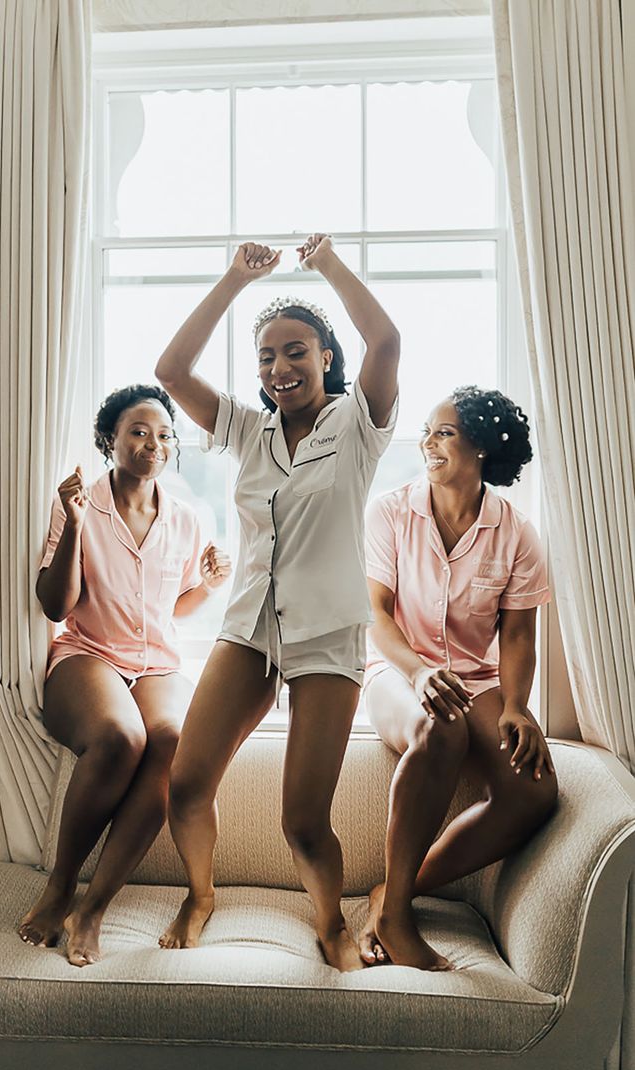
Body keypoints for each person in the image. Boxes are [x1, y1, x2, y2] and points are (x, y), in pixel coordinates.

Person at [154, 234, 400, 971]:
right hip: (248, 629)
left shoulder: (359, 424)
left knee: (302, 821)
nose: (279, 368)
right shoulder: (248, 430)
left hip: (327, 638)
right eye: (266, 357)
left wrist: (325, 263)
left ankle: (330, 924)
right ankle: (201, 895)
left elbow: (386, 337)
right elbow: (170, 370)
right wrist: (234, 279)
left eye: (295, 351)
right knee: (187, 785)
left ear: (326, 356)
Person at [18, 384, 231, 966]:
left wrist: (207, 587)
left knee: (174, 743)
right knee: (120, 738)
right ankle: (61, 886)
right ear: (110, 438)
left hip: (156, 663)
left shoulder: (189, 518)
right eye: (138, 432)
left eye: (164, 435)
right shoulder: (81, 503)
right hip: (87, 655)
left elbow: (172, 609)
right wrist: (76, 525)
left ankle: (94, 907)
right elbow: (56, 606)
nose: (153, 444)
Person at [358, 386, 558, 971]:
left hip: (478, 679)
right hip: (399, 670)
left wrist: (517, 706)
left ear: (481, 447)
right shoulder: (390, 511)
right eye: (427, 430)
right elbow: (376, 611)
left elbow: (519, 635)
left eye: (443, 432)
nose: (428, 442)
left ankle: (394, 895)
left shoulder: (518, 533)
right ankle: (397, 919)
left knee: (534, 791)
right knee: (439, 729)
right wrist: (418, 671)